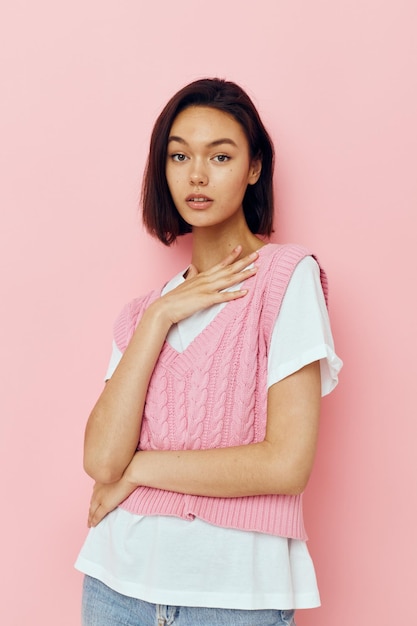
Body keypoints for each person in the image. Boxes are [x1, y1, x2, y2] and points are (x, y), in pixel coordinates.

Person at [75, 78, 342, 626]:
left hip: (233, 598)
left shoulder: (286, 280)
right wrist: (159, 317)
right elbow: (102, 462)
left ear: (254, 167)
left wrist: (140, 470)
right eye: (179, 155)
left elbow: (285, 464)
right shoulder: (142, 312)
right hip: (116, 588)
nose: (196, 174)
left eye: (220, 156)